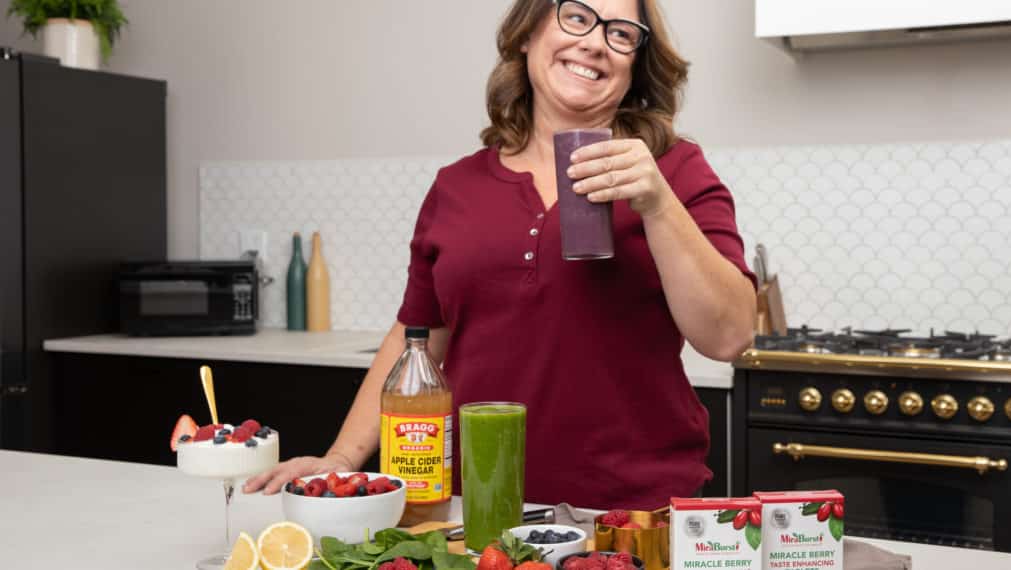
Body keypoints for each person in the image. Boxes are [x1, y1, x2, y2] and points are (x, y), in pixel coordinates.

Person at [245, 0, 756, 510]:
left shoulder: (675, 168)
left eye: (621, 34)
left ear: (634, 64)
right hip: (475, 508)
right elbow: (416, 336)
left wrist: (657, 201)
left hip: (630, 514)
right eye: (577, 18)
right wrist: (340, 458)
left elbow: (730, 335)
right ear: (527, 35)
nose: (597, 42)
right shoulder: (456, 187)